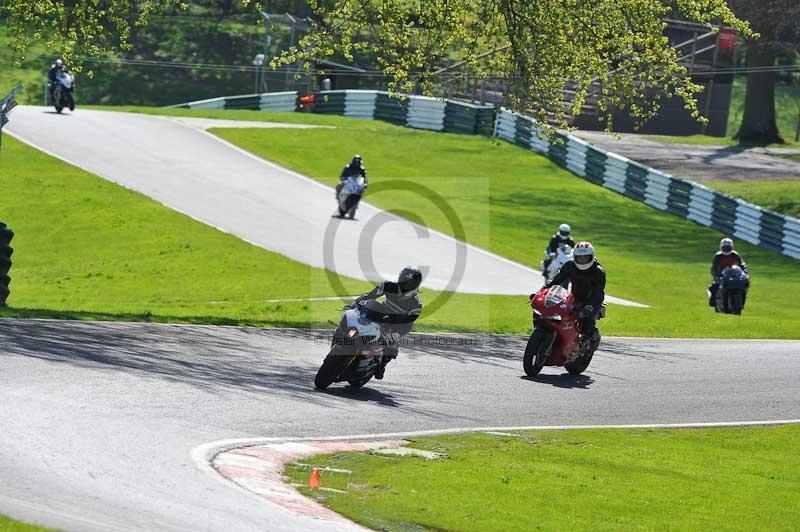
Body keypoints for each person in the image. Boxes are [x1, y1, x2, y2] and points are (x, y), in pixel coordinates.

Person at [348, 266, 423, 379]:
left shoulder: (416, 304)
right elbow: (369, 296)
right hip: (381, 313)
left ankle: (381, 365)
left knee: (392, 345)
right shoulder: (388, 286)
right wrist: (355, 303)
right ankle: (347, 338)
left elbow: (409, 323)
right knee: (362, 313)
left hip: (396, 324)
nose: (406, 286)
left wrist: (397, 333)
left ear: (416, 285)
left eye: (410, 284)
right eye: (404, 282)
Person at [544, 241, 605, 348]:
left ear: (592, 256)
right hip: (574, 297)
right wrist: (544, 289)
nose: (582, 260)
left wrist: (589, 306)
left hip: (592, 302)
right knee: (558, 315)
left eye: (585, 258)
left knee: (586, 325)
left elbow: (598, 292)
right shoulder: (569, 266)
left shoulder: (598, 272)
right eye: (579, 258)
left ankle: (595, 337)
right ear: (574, 257)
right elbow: (557, 280)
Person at [708, 237, 748, 306]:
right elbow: (713, 268)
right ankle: (713, 300)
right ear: (721, 247)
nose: (726, 249)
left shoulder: (735, 255)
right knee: (713, 287)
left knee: (745, 283)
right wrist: (716, 275)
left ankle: (742, 298)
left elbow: (742, 264)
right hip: (721, 275)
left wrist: (745, 273)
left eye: (728, 247)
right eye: (725, 247)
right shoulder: (718, 256)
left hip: (734, 275)